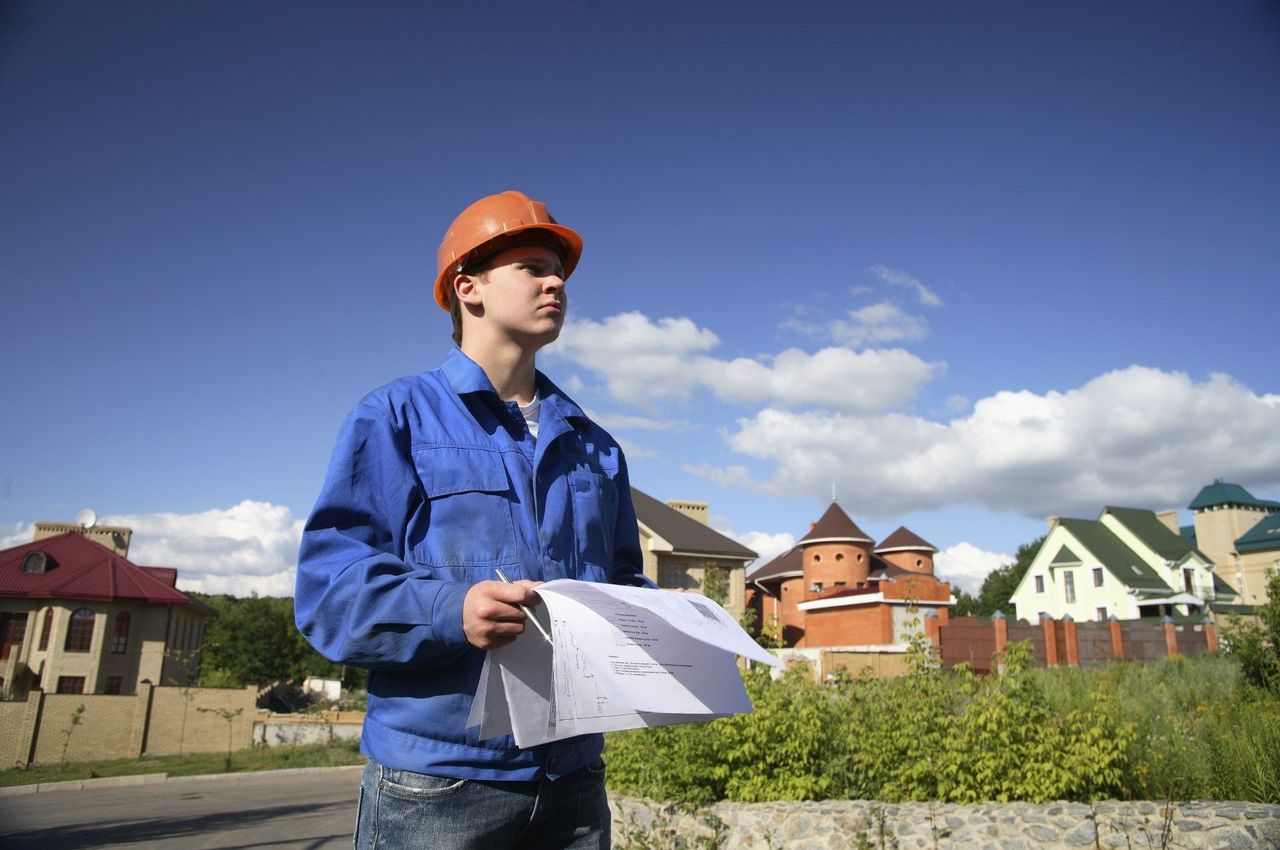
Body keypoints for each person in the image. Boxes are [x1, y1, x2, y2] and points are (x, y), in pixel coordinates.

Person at [295, 190, 651, 849]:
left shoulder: (595, 447)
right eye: (533, 266)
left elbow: (621, 584)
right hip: (438, 787)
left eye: (561, 272)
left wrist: (669, 622)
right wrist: (450, 611)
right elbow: (329, 591)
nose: (556, 283)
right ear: (468, 287)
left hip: (573, 783)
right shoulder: (397, 417)